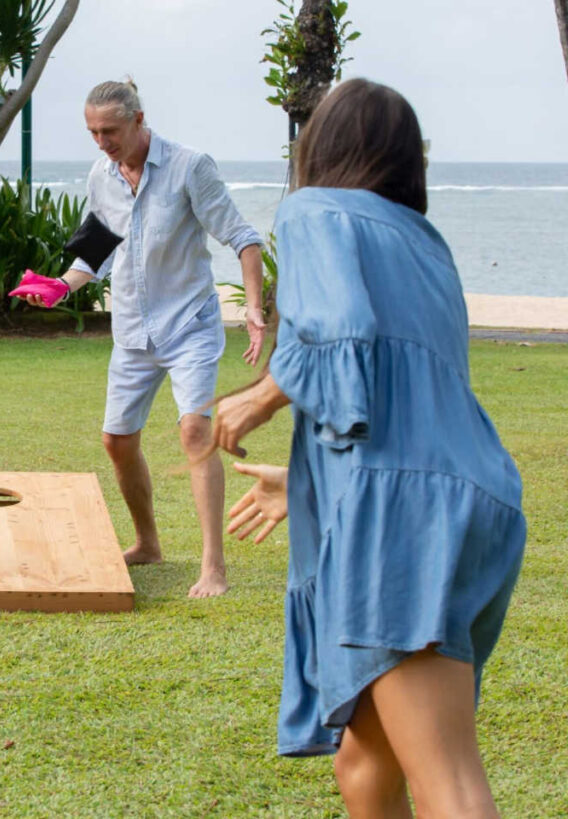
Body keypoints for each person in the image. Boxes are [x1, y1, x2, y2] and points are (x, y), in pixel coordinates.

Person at [213, 79, 525, 817]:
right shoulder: (426, 245)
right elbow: (410, 392)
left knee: (446, 773)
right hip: (471, 498)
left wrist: (257, 398)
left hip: (406, 518)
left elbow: (341, 329)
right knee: (363, 763)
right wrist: (307, 480)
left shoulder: (312, 210)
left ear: (319, 147)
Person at [21, 79, 265, 598]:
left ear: (138, 119)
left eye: (109, 130)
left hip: (189, 328)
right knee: (116, 441)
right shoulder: (101, 174)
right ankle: (149, 543)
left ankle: (213, 565)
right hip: (132, 329)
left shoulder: (190, 167)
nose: (101, 141)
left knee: (194, 433)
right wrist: (60, 288)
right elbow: (96, 250)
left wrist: (256, 311)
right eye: (92, 131)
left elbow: (243, 240)